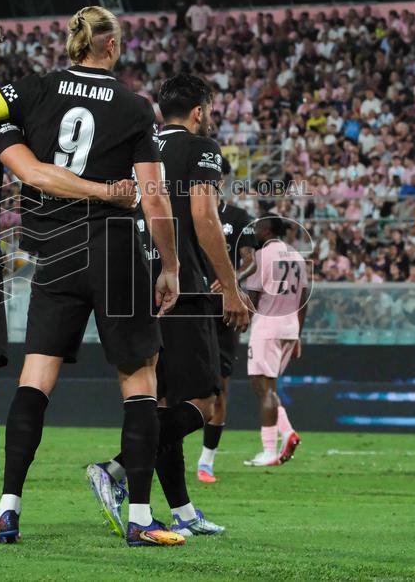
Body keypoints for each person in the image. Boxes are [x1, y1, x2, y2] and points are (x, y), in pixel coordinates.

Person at [0, 7, 183, 547]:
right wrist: (168, 266)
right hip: (116, 248)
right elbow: (154, 196)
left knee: (35, 379)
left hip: (55, 252)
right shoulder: (135, 107)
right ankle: (142, 518)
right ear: (112, 48)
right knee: (140, 380)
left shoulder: (27, 89)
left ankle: (8, 511)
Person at [86, 74, 251, 539]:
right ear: (199, 111)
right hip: (182, 284)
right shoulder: (201, 148)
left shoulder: (137, 142)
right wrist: (231, 286)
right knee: (206, 399)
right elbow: (203, 215)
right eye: (210, 109)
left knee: (161, 401)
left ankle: (181, 510)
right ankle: (116, 471)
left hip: (135, 277)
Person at [199, 156, 257, 483]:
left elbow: (251, 260)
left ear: (222, 181)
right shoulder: (188, 215)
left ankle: (206, 461)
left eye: (215, 177)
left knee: (220, 386)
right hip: (189, 307)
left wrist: (230, 278)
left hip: (225, 308)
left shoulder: (239, 217)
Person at [243, 217, 307, 467]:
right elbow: (304, 299)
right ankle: (288, 432)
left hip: (267, 326)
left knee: (262, 388)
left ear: (267, 230)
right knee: (268, 387)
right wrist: (298, 333)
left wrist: (243, 322)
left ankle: (269, 450)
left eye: (258, 227)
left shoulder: (262, 256)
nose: (255, 231)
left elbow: (253, 295)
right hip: (289, 327)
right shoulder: (297, 257)